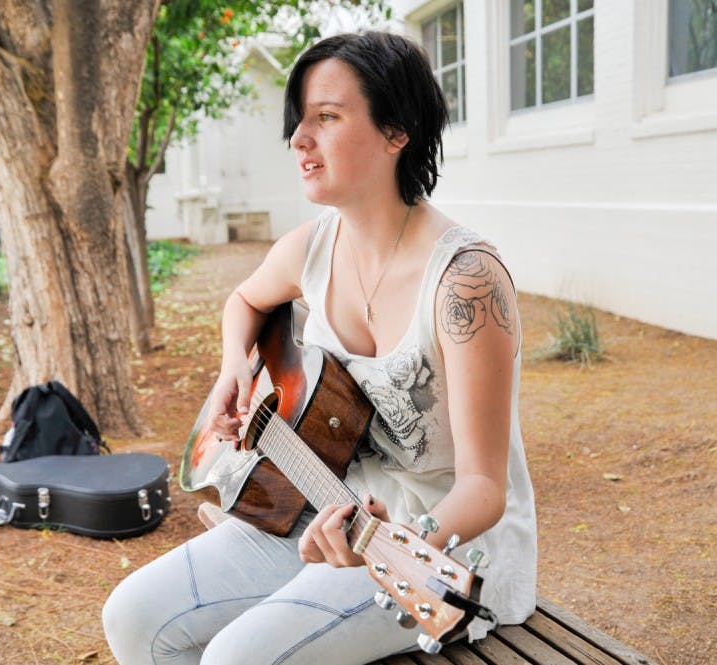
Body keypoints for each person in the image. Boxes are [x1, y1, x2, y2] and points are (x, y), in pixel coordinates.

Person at [102, 31, 537, 664]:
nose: (299, 140)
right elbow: (245, 302)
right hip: (319, 501)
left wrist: (393, 540)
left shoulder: (465, 282)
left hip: (445, 548)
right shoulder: (313, 247)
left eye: (326, 119)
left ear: (397, 132)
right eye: (299, 122)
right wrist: (232, 371)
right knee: (132, 616)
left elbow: (484, 486)